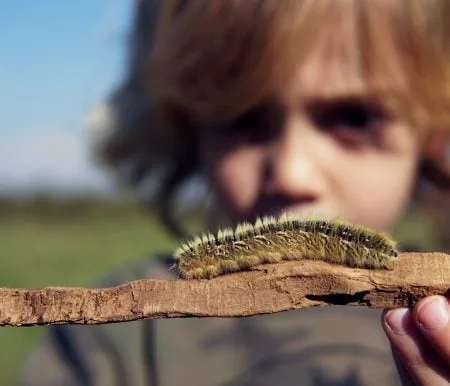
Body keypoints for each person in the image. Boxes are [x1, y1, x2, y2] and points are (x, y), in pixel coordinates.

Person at [20, 1, 450, 385]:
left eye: (354, 117)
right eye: (243, 116)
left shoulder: (438, 309)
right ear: (188, 131)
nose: (291, 174)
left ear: (433, 133)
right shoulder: (109, 347)